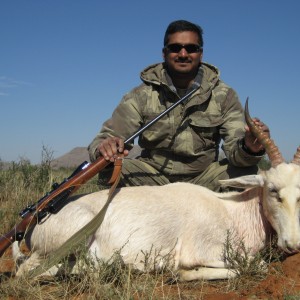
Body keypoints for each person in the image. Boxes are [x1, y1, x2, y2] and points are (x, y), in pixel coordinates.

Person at [88, 20, 269, 191]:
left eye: (191, 48)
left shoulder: (224, 95)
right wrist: (105, 147)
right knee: (110, 169)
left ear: (200, 53)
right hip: (152, 180)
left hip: (204, 181)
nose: (183, 54)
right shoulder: (140, 95)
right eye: (175, 48)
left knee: (249, 174)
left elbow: (235, 151)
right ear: (164, 53)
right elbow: (107, 137)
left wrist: (249, 147)